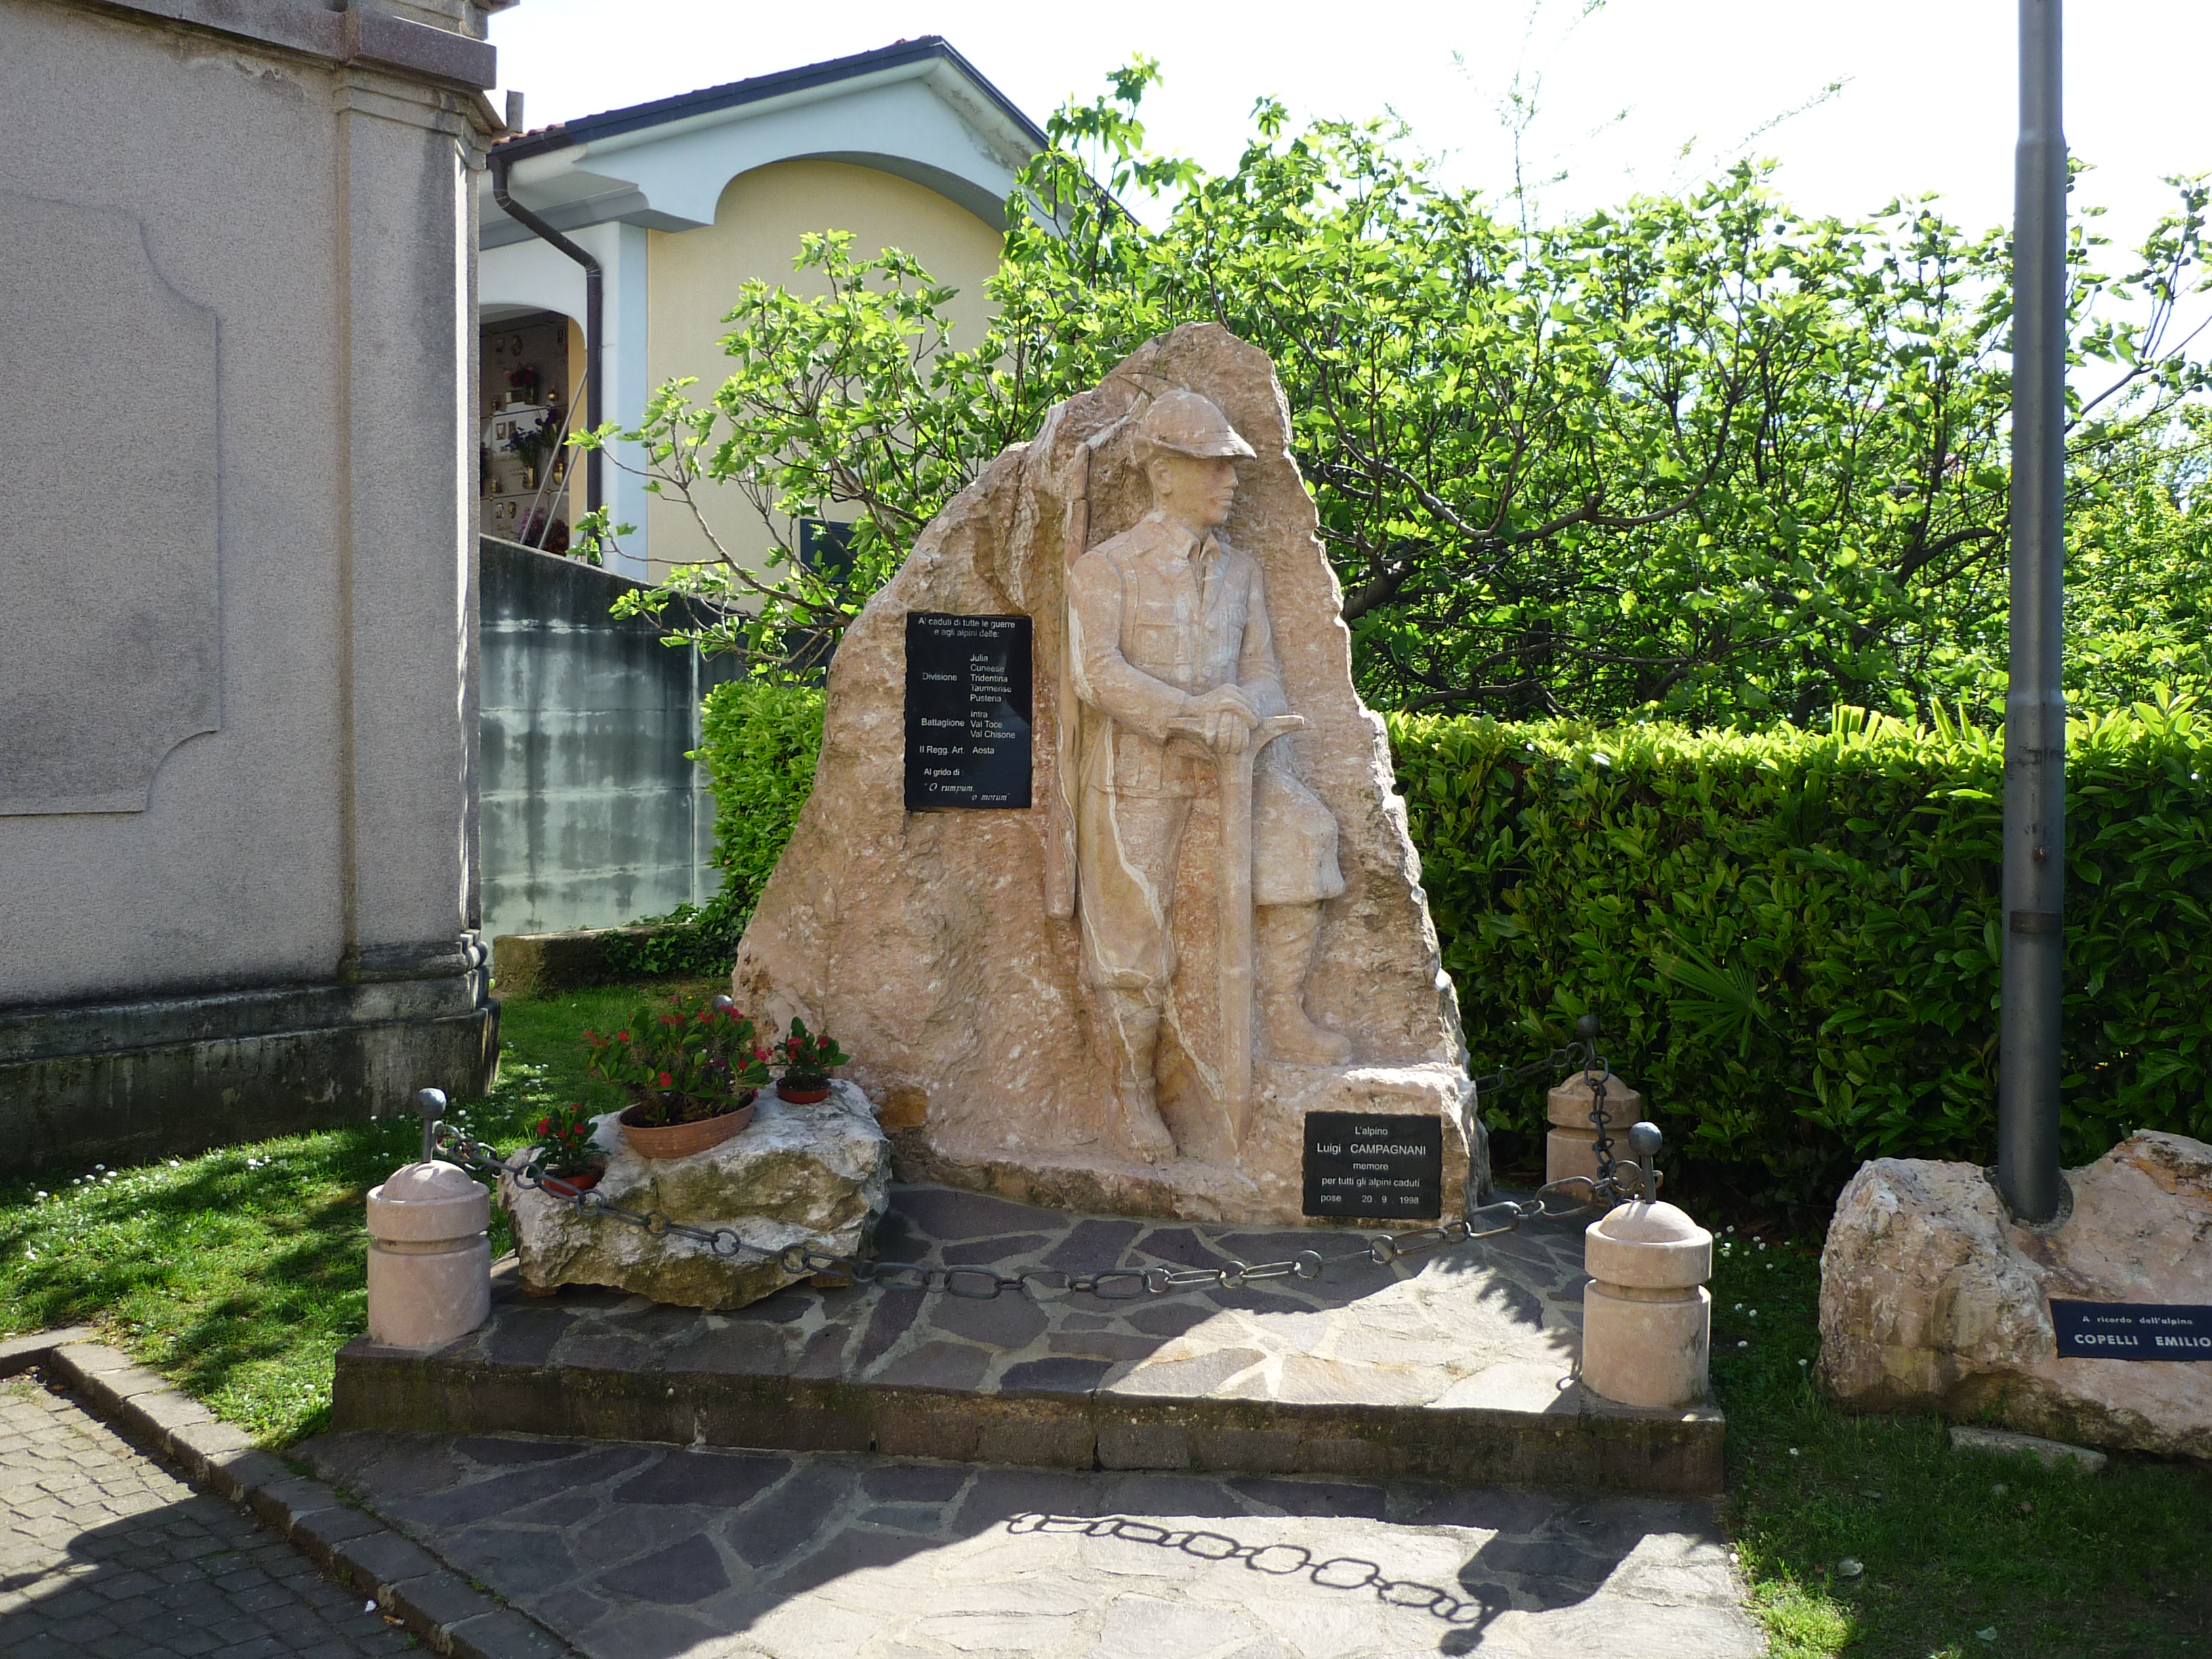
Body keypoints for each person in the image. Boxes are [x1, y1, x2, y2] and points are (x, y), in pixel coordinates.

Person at [1067, 390, 1348, 1163]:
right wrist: (1193, 711)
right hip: (1135, 778)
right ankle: (1133, 1093)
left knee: (1305, 831)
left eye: (1233, 466)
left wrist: (1243, 715)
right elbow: (1098, 675)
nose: (1230, 480)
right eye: (1213, 465)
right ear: (1162, 473)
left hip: (1232, 771)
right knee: (1135, 939)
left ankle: (1284, 1012)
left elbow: (1265, 676)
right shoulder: (1107, 568)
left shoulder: (1242, 571)